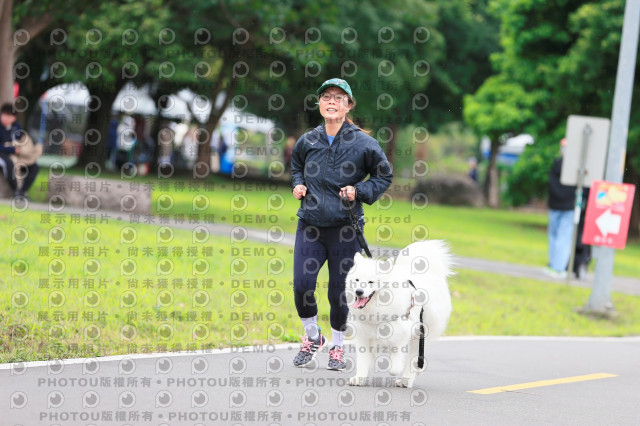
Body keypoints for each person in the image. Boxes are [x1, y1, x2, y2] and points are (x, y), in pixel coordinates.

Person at [290, 78, 393, 370]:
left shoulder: (364, 143)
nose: (331, 101)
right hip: (310, 225)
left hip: (345, 229)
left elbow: (384, 176)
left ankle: (337, 346)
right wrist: (298, 184)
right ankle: (314, 337)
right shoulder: (309, 140)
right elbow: (296, 166)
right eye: (326, 97)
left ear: (348, 105)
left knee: (339, 292)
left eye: (338, 97)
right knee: (302, 286)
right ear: (319, 104)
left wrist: (358, 191)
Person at [544, 138, 574, 279]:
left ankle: (557, 266)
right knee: (559, 236)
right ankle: (556, 265)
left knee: (560, 236)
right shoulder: (560, 165)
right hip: (561, 205)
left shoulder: (562, 165)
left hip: (563, 206)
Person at [0, 103, 40, 199]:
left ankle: (23, 191)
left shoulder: (16, 127)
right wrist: (12, 149)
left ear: (14, 118)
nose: (5, 118)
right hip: (3, 154)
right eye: (4, 115)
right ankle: (15, 191)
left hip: (17, 155)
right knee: (9, 163)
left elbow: (19, 140)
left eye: (9, 116)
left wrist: (17, 149)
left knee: (34, 167)